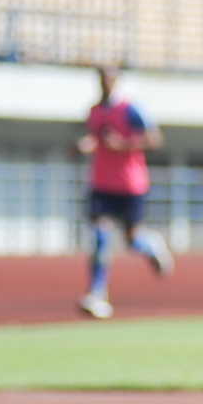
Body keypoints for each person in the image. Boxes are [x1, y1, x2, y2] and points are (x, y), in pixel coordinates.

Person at [73, 65, 170, 320]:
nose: (106, 82)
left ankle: (151, 245)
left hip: (130, 184)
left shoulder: (130, 109)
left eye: (110, 78)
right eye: (102, 78)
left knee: (133, 240)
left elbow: (155, 139)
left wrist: (123, 145)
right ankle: (97, 294)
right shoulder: (93, 111)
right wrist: (82, 146)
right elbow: (92, 138)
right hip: (101, 184)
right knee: (100, 235)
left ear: (116, 81)